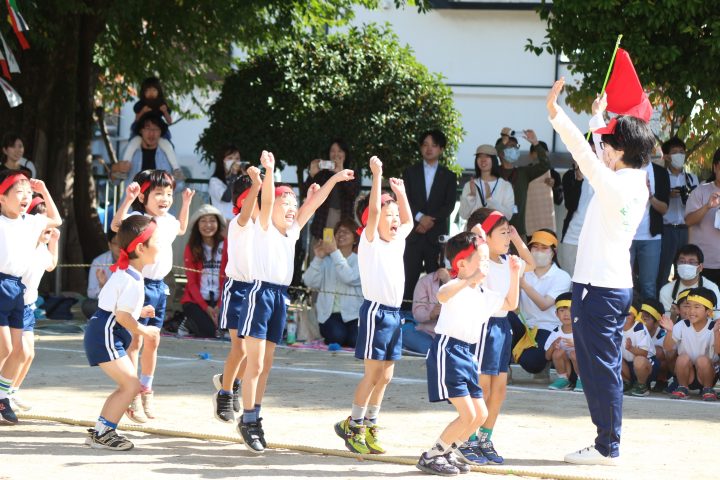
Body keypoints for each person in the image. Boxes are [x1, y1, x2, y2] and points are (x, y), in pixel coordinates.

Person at [548, 78, 655, 465]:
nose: (603, 147)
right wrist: (598, 118)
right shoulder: (632, 181)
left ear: (620, 150)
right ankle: (606, 442)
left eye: (609, 143)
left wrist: (557, 115)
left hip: (599, 289)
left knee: (600, 368)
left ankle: (607, 445)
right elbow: (597, 154)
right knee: (598, 366)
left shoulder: (615, 185)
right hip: (603, 286)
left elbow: (586, 155)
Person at [239, 151, 354, 454]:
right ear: (270, 206)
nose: (291, 209)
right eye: (285, 203)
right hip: (259, 293)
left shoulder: (291, 233)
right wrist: (270, 170)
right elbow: (266, 199)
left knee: (267, 365)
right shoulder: (263, 226)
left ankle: (255, 415)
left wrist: (336, 178)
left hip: (279, 296)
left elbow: (314, 204)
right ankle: (248, 420)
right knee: (256, 362)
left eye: (293, 204)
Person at [416, 229, 521, 476]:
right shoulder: (456, 285)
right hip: (448, 350)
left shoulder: (483, 293)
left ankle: (448, 450)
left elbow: (510, 304)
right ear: (462, 264)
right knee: (468, 414)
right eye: (481, 260)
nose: (486, 266)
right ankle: (432, 454)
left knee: (480, 414)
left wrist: (514, 274)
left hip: (467, 353)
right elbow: (442, 295)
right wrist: (469, 278)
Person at [334, 156, 412, 456]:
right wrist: (376, 175)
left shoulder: (397, 241)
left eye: (393, 214)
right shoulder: (369, 241)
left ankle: (369, 424)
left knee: (387, 375)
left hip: (395, 315)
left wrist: (401, 194)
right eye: (386, 214)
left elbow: (408, 222)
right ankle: (354, 425)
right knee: (372, 373)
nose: (393, 219)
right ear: (370, 218)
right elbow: (376, 211)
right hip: (376, 312)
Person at [111, 169, 194, 423]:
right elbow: (116, 225)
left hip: (159, 287)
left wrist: (186, 203)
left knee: (154, 340)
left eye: (169, 193)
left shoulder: (167, 220)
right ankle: (133, 391)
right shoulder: (138, 218)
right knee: (135, 341)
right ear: (144, 196)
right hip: (140, 285)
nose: (165, 198)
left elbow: (181, 229)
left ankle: (146, 388)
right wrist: (127, 199)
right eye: (158, 193)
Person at [460, 208, 535, 466]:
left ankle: (485, 438)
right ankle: (468, 437)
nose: (507, 237)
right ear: (485, 236)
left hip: (503, 327)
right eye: (502, 232)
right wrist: (479, 237)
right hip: (484, 325)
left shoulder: (508, 260)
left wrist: (516, 239)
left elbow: (532, 263)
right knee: (483, 385)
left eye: (508, 231)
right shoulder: (481, 262)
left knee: (500, 389)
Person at [83, 215, 160, 450]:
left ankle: (101, 432)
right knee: (131, 385)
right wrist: (145, 330)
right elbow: (122, 317)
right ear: (140, 248)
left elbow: (119, 307)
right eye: (156, 240)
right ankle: (103, 433)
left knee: (129, 385)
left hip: (104, 331)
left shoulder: (129, 274)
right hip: (105, 334)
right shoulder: (131, 279)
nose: (161, 244)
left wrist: (139, 311)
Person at [0, 171, 62, 423]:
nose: (25, 197)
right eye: (19, 192)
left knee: (20, 351)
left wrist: (44, 190)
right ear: (2, 198)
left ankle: (3, 396)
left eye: (29, 192)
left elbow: (56, 219)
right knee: (5, 347)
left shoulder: (31, 222)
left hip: (18, 289)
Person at [213, 169, 261, 424]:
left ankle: (231, 382)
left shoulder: (265, 226)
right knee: (239, 347)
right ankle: (224, 393)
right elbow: (249, 206)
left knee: (251, 351)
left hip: (257, 290)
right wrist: (257, 183)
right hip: (238, 289)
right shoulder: (239, 223)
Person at [403, 130, 458, 310]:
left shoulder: (449, 176)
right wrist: (420, 218)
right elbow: (405, 199)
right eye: (425, 144)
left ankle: (436, 315)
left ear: (441, 149)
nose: (429, 149)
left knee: (436, 278)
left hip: (436, 237)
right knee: (408, 277)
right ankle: (405, 315)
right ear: (420, 148)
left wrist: (429, 220)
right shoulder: (410, 172)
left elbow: (449, 205)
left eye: (434, 145)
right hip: (414, 234)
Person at [511, 229, 572, 374]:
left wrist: (523, 284)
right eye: (535, 247)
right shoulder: (523, 270)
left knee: (532, 362)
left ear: (553, 251)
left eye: (544, 248)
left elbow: (544, 304)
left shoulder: (562, 276)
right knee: (500, 321)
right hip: (524, 323)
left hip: (547, 327)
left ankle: (543, 362)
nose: (538, 251)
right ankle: (502, 368)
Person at [302, 218, 363, 348]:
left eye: (346, 232)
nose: (341, 234)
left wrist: (334, 252)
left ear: (355, 239)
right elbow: (309, 281)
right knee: (337, 337)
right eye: (338, 232)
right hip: (329, 315)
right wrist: (318, 257)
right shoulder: (327, 260)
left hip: (354, 315)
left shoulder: (360, 260)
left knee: (356, 340)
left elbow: (350, 278)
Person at [659, 287, 719, 401]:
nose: (691, 311)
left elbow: (718, 352)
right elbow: (667, 347)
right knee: (682, 358)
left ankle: (708, 389)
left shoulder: (713, 327)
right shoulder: (682, 324)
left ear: (708, 312)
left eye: (697, 307)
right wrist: (670, 331)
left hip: (708, 373)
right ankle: (683, 387)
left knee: (703, 360)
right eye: (689, 305)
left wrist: (716, 333)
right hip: (687, 374)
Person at [657, 137, 698, 289]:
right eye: (675, 152)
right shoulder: (661, 177)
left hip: (686, 229)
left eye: (682, 152)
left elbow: (696, 203)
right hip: (667, 229)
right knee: (663, 271)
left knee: (685, 272)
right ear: (667, 156)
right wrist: (667, 194)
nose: (679, 155)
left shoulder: (691, 178)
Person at [180, 204, 226, 338]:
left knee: (228, 330)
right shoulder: (191, 247)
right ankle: (188, 322)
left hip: (221, 301)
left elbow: (229, 279)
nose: (208, 225)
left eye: (212, 220)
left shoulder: (227, 245)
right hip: (197, 301)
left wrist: (218, 305)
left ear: (218, 223)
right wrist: (206, 308)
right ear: (197, 225)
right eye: (203, 221)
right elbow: (192, 283)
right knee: (209, 333)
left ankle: (201, 322)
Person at [302, 139, 360, 242]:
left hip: (343, 222)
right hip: (324, 221)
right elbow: (306, 193)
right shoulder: (322, 173)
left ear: (345, 154)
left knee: (340, 253)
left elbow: (353, 193)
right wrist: (312, 174)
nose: (336, 154)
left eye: (340, 151)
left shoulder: (351, 172)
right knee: (323, 251)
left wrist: (341, 172)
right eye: (333, 151)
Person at [629, 150, 669, 300]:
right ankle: (625, 319)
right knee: (623, 283)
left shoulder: (660, 173)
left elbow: (664, 208)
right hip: (626, 236)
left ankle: (648, 321)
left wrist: (650, 195)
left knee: (649, 285)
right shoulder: (626, 170)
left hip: (651, 236)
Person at [496, 128, 550, 238]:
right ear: (501, 152)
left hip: (518, 231)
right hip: (495, 230)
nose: (515, 149)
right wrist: (503, 141)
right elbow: (491, 155)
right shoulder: (493, 172)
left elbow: (545, 165)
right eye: (510, 146)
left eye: (516, 147)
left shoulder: (523, 173)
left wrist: (535, 143)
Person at [121, 77, 180, 176]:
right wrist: (143, 111)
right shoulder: (140, 105)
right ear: (143, 92)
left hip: (160, 134)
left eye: (154, 90)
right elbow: (136, 120)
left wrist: (165, 111)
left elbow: (169, 121)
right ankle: (123, 168)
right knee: (132, 145)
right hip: (140, 133)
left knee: (167, 146)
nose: (151, 93)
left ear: (159, 92)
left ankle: (176, 169)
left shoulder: (162, 104)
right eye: (148, 90)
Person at [112, 113, 184, 189]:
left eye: (156, 129)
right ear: (140, 130)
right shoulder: (130, 151)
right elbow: (115, 181)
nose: (152, 133)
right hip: (133, 200)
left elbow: (179, 183)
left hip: (160, 200)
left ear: (161, 132)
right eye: (147, 128)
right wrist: (116, 168)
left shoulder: (168, 153)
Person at [559, 138, 596, 277]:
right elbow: (570, 205)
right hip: (573, 235)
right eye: (588, 152)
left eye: (595, 152)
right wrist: (578, 181)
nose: (591, 156)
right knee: (569, 277)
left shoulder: (603, 176)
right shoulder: (570, 175)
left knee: (589, 278)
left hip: (594, 236)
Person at [685, 149, 720, 286]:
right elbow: (689, 221)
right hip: (704, 263)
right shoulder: (700, 191)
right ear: (715, 167)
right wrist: (707, 206)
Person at [658, 244, 720, 315]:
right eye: (682, 261)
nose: (686, 265)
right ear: (676, 265)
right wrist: (674, 315)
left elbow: (716, 319)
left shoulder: (711, 288)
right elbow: (666, 322)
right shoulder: (666, 290)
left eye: (691, 262)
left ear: (700, 267)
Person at [458, 145, 515, 221]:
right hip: (473, 231)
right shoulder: (469, 185)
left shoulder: (506, 186)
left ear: (494, 160)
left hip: (495, 231)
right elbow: (463, 215)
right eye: (479, 156)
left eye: (487, 156)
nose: (483, 160)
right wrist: (471, 196)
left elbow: (508, 216)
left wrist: (490, 199)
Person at [407, 263, 450, 356]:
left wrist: (449, 282)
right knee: (431, 349)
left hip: (454, 336)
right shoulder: (425, 281)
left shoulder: (465, 282)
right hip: (427, 334)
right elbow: (417, 315)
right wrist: (431, 314)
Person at [621, 300, 660, 397]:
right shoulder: (616, 327)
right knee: (610, 356)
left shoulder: (639, 327)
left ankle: (641, 385)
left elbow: (644, 353)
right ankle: (626, 382)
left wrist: (630, 348)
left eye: (629, 314)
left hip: (646, 364)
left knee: (639, 360)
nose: (625, 317)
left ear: (635, 315)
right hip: (627, 365)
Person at [545, 292, 581, 391]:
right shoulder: (556, 332)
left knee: (575, 353)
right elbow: (547, 357)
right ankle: (563, 379)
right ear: (556, 314)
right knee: (557, 353)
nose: (566, 314)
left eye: (571, 310)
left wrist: (577, 344)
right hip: (567, 369)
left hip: (584, 370)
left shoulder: (582, 331)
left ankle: (582, 380)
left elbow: (591, 351)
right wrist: (553, 346)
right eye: (562, 310)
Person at [82, 232, 121, 319]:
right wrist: (102, 286)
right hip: (107, 304)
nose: (120, 247)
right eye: (115, 243)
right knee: (88, 305)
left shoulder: (133, 260)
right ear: (109, 245)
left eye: (122, 243)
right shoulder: (99, 261)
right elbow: (90, 294)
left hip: (125, 303)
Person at [208, 144, 244, 220]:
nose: (234, 161)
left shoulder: (241, 179)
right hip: (222, 223)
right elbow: (226, 197)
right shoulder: (214, 181)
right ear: (222, 161)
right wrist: (234, 173)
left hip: (237, 224)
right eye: (230, 158)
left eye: (237, 159)